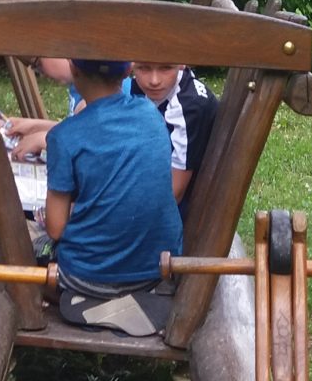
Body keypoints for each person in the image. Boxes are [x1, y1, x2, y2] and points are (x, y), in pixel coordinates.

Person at [41, 58, 182, 300]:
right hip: (157, 272)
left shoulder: (63, 137)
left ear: (73, 69)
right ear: (128, 70)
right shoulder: (151, 114)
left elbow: (55, 228)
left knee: (35, 247)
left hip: (85, 279)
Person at [127, 62, 220, 215]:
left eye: (166, 68)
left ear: (182, 63)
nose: (154, 81)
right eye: (143, 68)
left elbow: (174, 195)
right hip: (155, 182)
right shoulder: (147, 86)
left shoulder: (188, 107)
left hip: (187, 209)